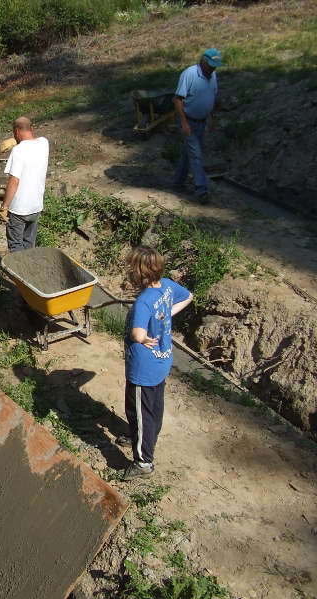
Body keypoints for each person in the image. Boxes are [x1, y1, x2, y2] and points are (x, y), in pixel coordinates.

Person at [122, 246, 192, 480]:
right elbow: (189, 296)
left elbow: (138, 334)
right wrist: (166, 313)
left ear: (138, 274)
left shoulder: (143, 301)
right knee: (152, 408)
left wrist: (139, 336)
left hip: (143, 369)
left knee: (141, 410)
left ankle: (143, 462)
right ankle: (142, 434)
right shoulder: (168, 286)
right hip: (162, 360)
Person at [172, 48, 223, 204]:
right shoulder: (190, 74)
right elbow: (178, 100)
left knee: (188, 155)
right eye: (211, 65)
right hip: (188, 120)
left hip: (202, 121)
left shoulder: (213, 75)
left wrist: (212, 117)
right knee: (196, 155)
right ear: (203, 61)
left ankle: (177, 183)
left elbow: (213, 96)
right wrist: (185, 123)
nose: (213, 69)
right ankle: (202, 191)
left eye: (215, 66)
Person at [0, 117, 49, 252]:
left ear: (15, 131)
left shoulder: (18, 151)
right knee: (29, 245)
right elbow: (33, 140)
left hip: (19, 209)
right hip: (36, 206)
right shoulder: (44, 143)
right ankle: (29, 272)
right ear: (31, 128)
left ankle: (18, 272)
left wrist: (4, 206)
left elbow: (14, 181)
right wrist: (17, 139)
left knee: (16, 248)